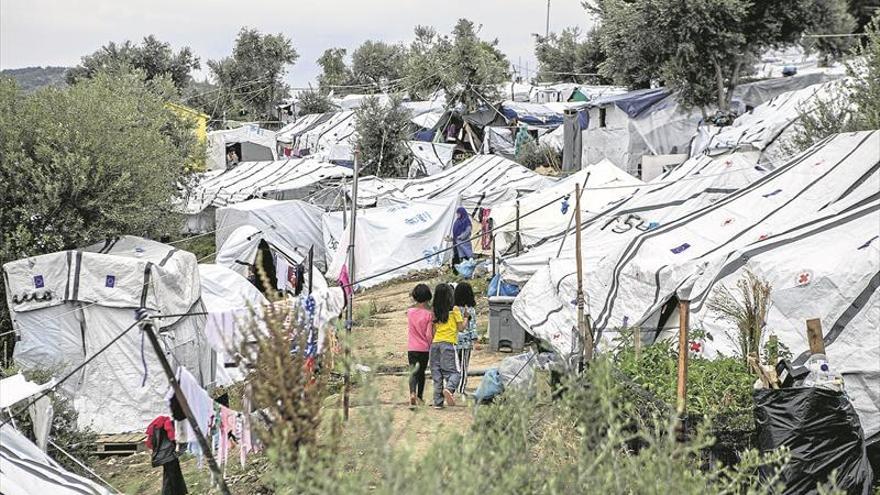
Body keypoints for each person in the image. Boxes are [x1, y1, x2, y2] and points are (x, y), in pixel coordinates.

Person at [430, 283, 467, 408]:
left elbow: (433, 330)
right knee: (456, 373)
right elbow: (461, 328)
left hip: (435, 344)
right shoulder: (455, 310)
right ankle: (449, 389)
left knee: (437, 374)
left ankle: (438, 402)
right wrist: (466, 318)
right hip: (448, 345)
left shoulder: (434, 311)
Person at [407, 284, 434, 406]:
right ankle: (419, 397)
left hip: (412, 347)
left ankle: (411, 392)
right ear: (428, 297)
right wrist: (430, 344)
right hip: (424, 348)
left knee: (413, 371)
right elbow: (428, 334)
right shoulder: (428, 314)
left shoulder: (410, 312)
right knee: (421, 372)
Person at [454, 282, 478, 394]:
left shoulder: (453, 309)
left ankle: (451, 387)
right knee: (463, 366)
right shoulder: (470, 309)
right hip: (465, 342)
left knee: (454, 365)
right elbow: (473, 327)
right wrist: (475, 340)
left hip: (453, 341)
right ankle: (461, 389)